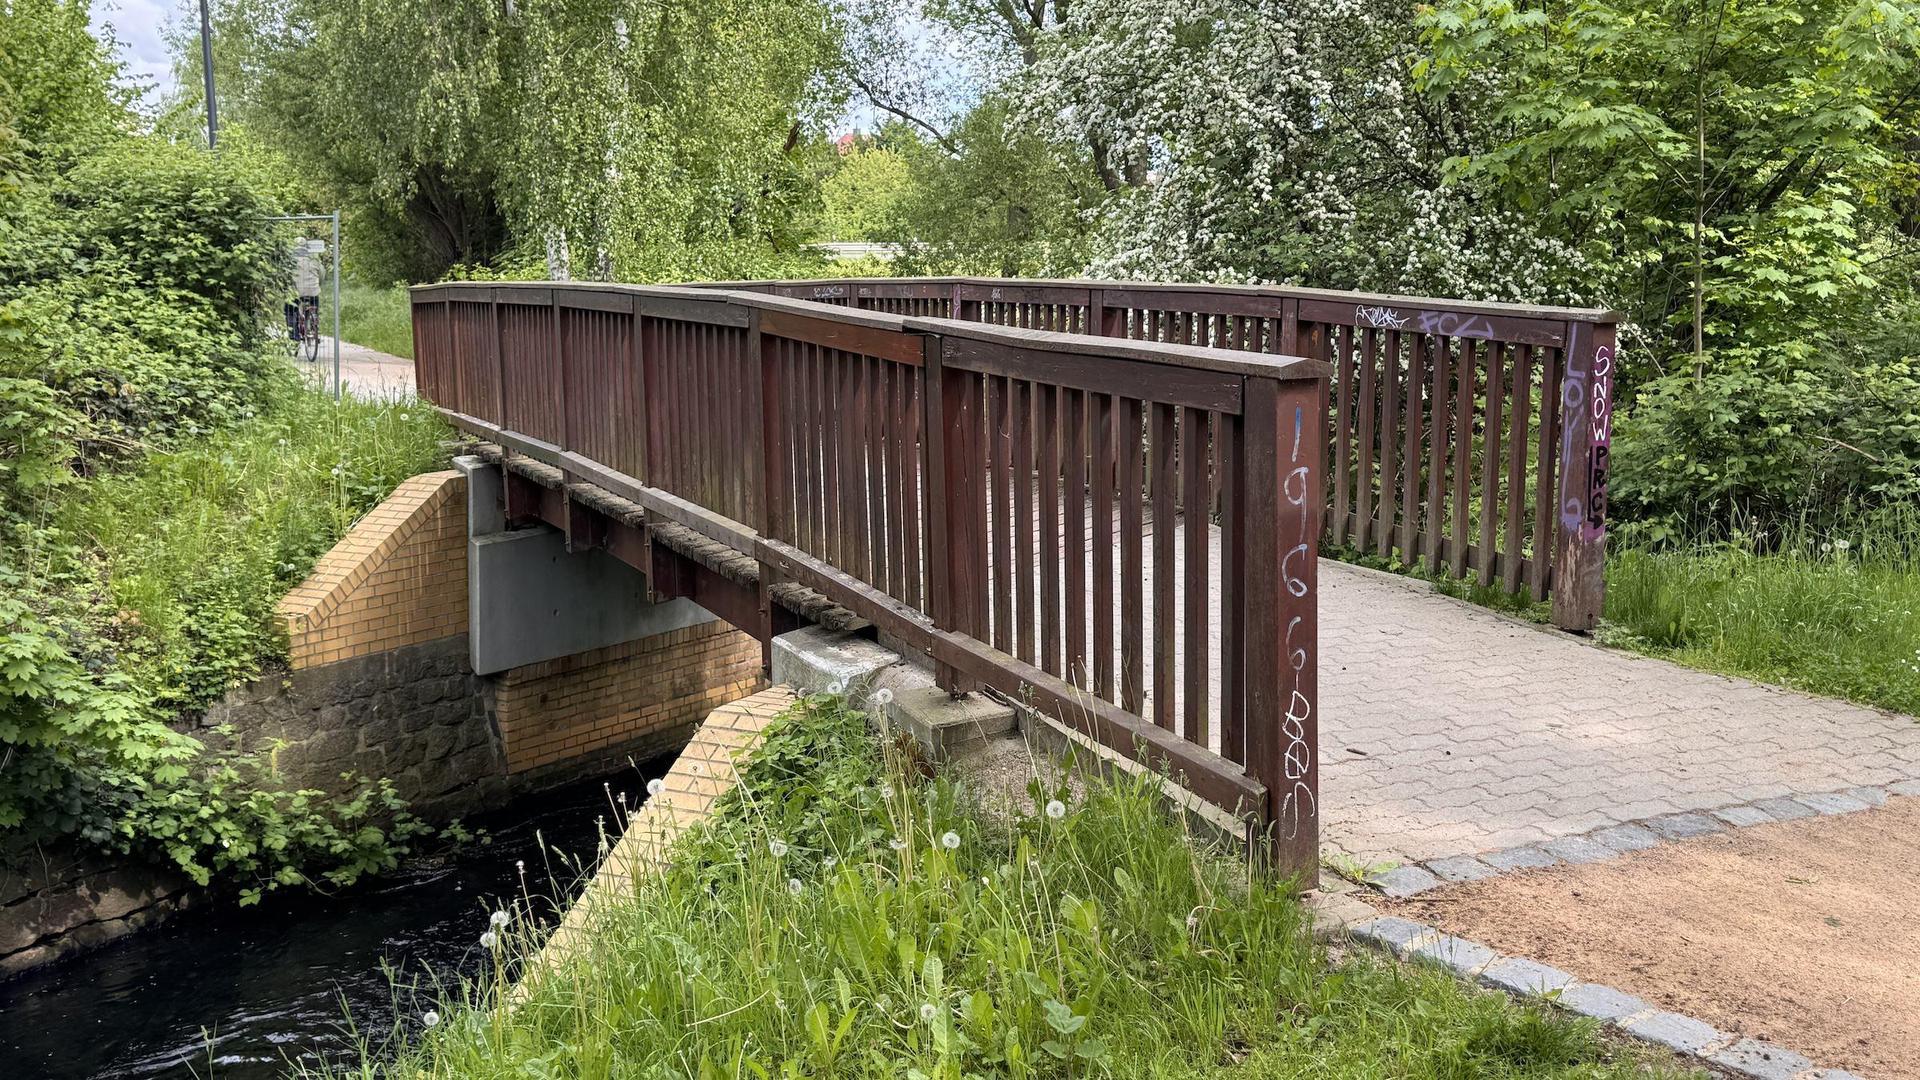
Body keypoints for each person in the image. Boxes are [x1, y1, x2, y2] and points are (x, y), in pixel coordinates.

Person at [284, 239, 322, 344]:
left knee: (290, 311)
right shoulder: (314, 260)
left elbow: (284, 277)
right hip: (313, 291)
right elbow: (322, 275)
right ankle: (314, 323)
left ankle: (294, 337)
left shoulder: (289, 260)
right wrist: (317, 285)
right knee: (314, 303)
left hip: (295, 292)